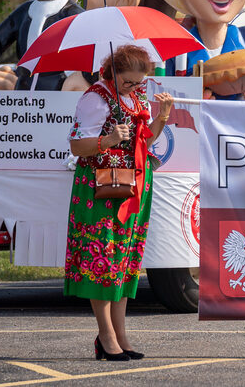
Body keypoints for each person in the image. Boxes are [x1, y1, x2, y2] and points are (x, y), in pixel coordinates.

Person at [66, 44, 173, 361]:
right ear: (112, 73)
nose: (135, 87)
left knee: (125, 262)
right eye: (128, 82)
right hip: (103, 188)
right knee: (104, 259)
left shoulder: (137, 98)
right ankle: (106, 335)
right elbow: (76, 146)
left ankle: (120, 334)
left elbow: (146, 139)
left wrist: (163, 116)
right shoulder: (95, 99)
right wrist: (108, 140)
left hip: (134, 183)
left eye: (139, 82)